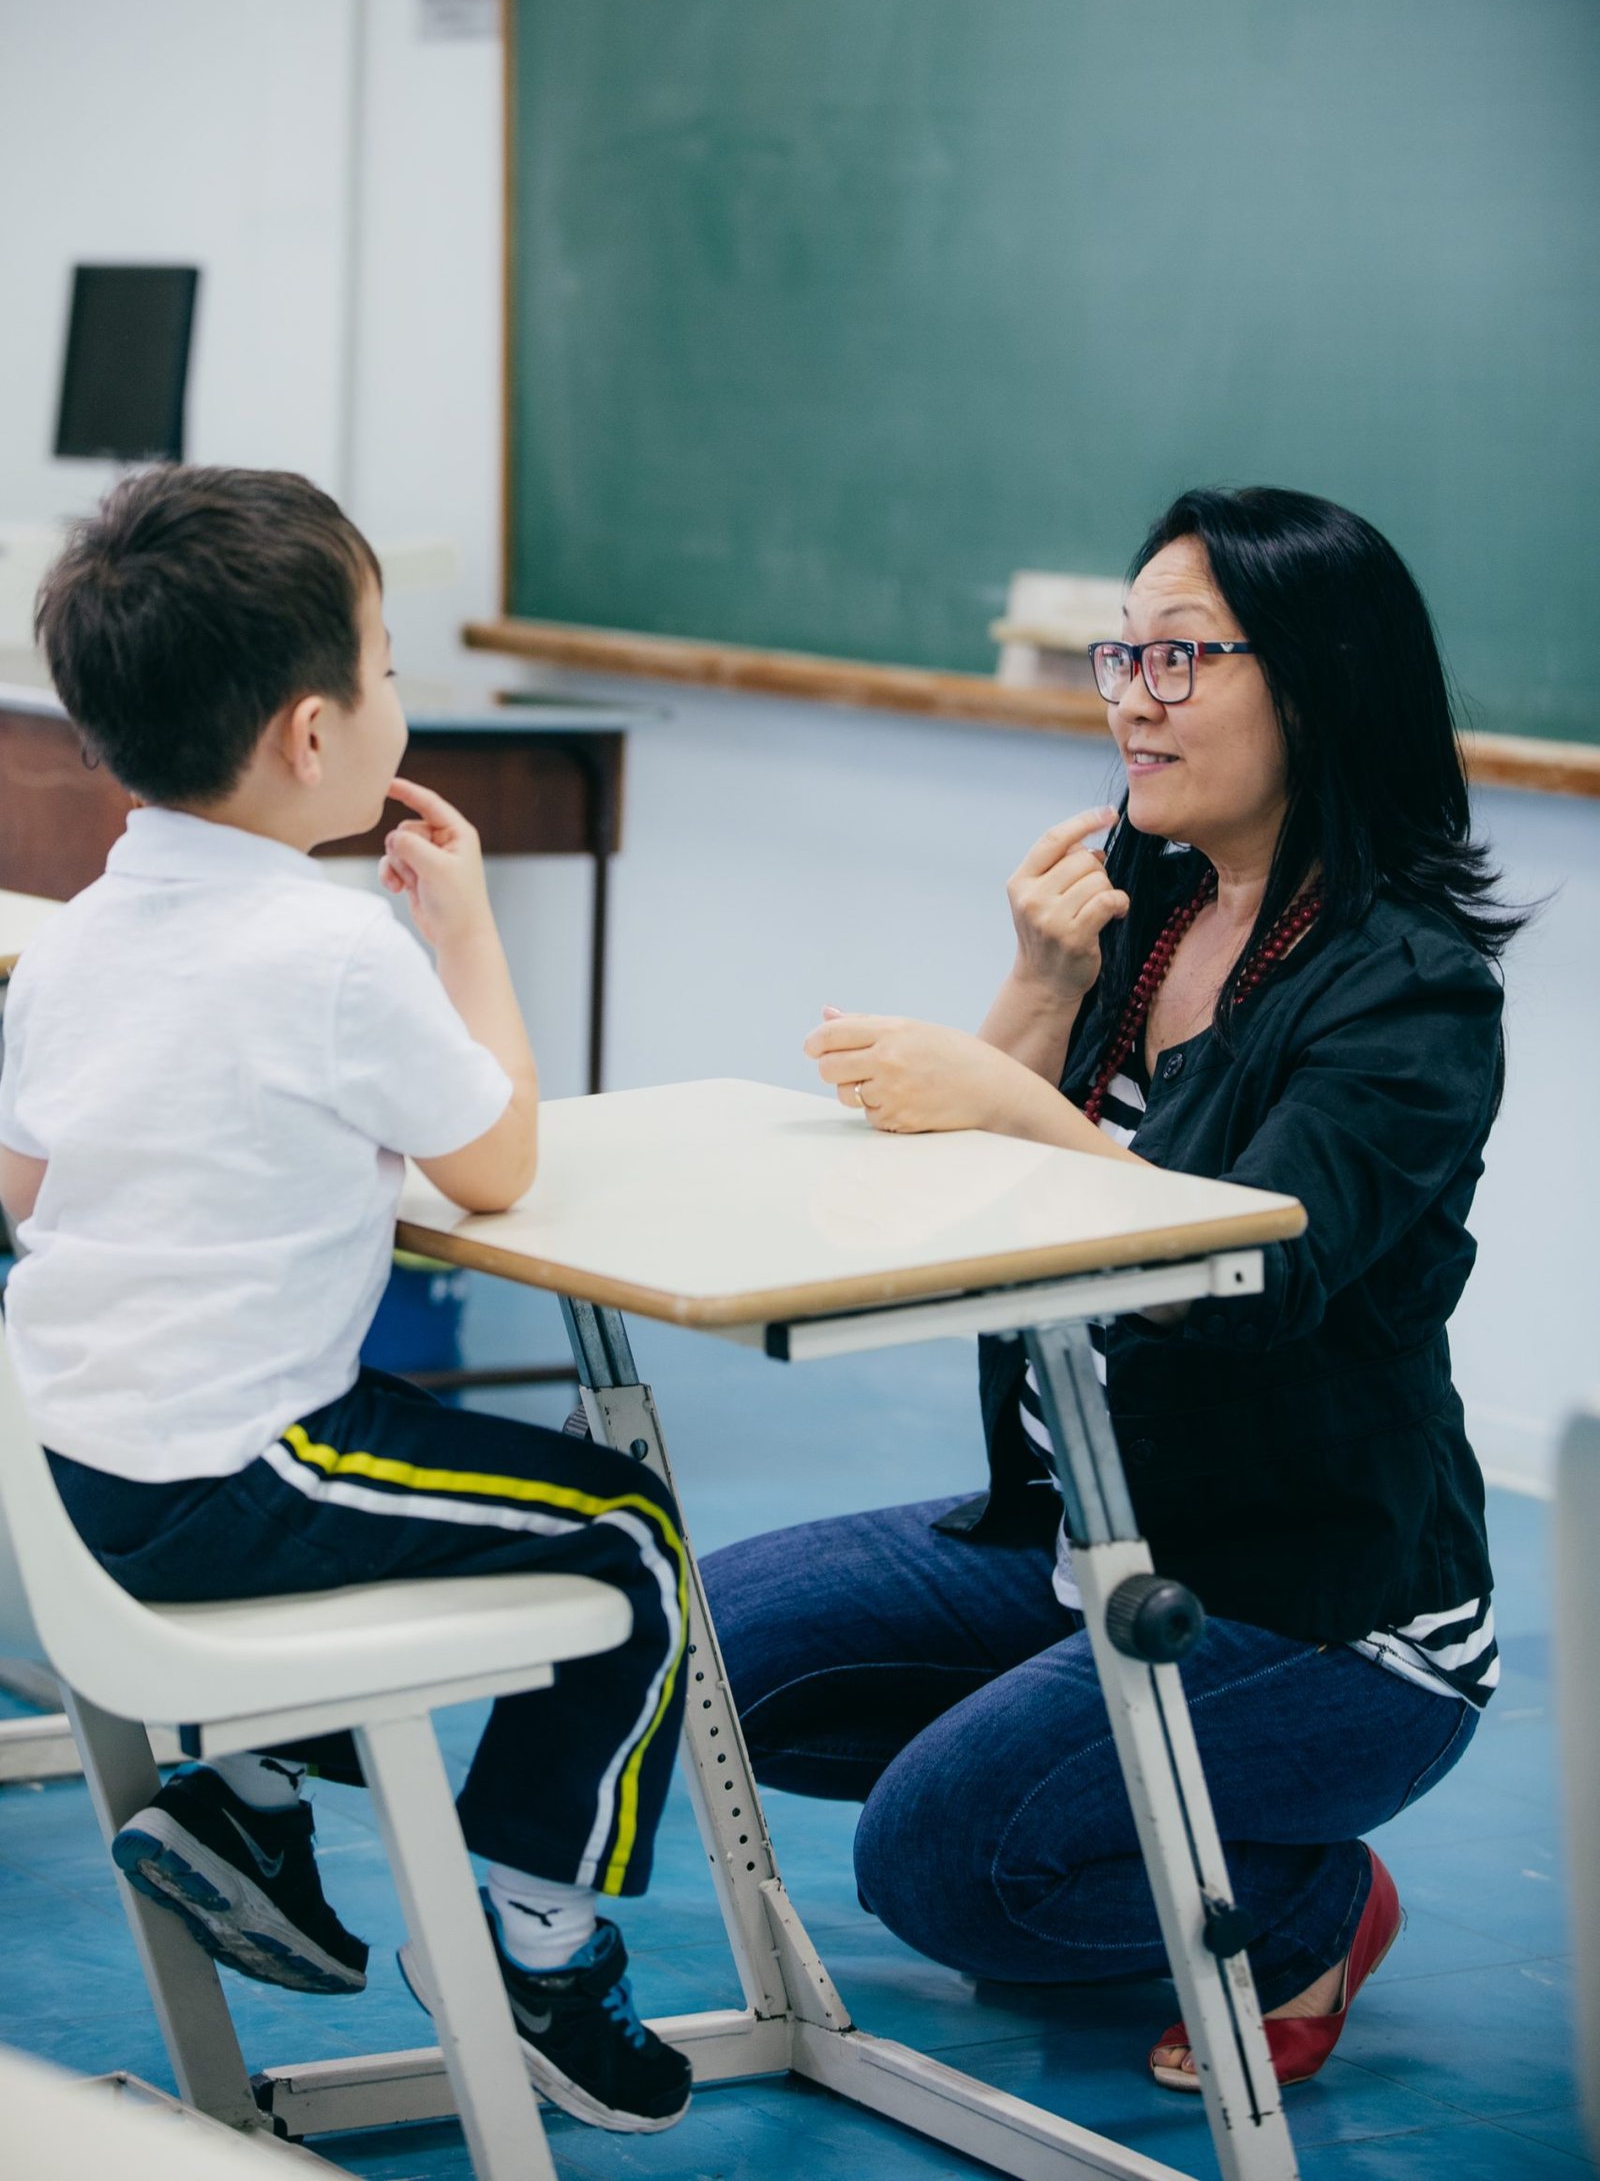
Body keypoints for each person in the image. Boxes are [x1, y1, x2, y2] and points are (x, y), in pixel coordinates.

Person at [703, 484, 1521, 2092]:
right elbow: (942, 1213)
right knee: (702, 1650)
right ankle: (1092, 1797)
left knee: (938, 1870)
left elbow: (1244, 1274)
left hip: (1324, 1608)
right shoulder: (1140, 918)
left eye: (1181, 658)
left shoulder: (1412, 986)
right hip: (1098, 1534)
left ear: (1318, 683)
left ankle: (1301, 1907)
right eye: (1120, 655)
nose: (1133, 699)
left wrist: (1012, 1103)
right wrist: (1034, 988)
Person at [0, 466, 692, 2136]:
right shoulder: (331, 952)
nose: (401, 698)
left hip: (62, 1480)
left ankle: (242, 1796)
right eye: (386, 666)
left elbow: (26, 1189)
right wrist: (466, 937)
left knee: (404, 1477)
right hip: (224, 1479)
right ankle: (533, 1936)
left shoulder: (81, 937)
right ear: (315, 736)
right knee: (631, 1537)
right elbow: (502, 1163)